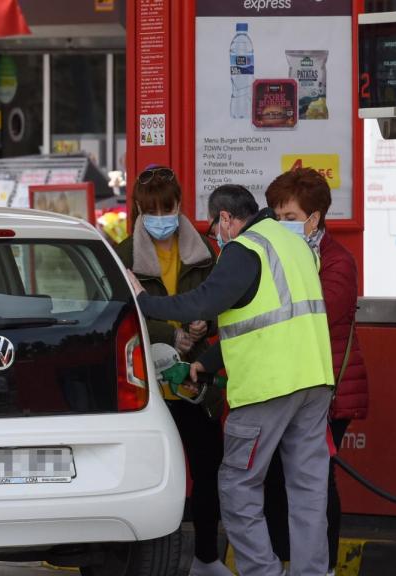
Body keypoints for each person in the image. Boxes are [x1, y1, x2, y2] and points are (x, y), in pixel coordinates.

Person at [127, 184, 335, 576]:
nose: (215, 236)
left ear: (225, 219)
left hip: (267, 387)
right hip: (314, 382)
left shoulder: (246, 248)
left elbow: (204, 302)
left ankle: (262, 572)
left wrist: (143, 300)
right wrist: (204, 363)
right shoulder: (295, 245)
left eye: (213, 227)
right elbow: (265, 316)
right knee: (308, 491)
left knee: (239, 488)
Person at [115, 165, 231, 576]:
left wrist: (205, 323)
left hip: (195, 381)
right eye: (151, 210)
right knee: (147, 475)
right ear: (139, 210)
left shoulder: (205, 249)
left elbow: (226, 302)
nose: (160, 217)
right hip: (147, 385)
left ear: (180, 205)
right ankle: (136, 558)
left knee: (207, 468)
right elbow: (124, 313)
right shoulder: (125, 253)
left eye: (167, 207)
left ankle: (206, 557)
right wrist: (171, 333)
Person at [263, 168, 369, 576]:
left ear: (314, 217)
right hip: (288, 383)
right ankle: (285, 562)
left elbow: (317, 315)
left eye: (290, 217)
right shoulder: (276, 253)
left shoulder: (337, 260)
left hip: (330, 389)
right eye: (276, 215)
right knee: (276, 478)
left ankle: (320, 565)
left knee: (317, 481)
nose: (281, 224)